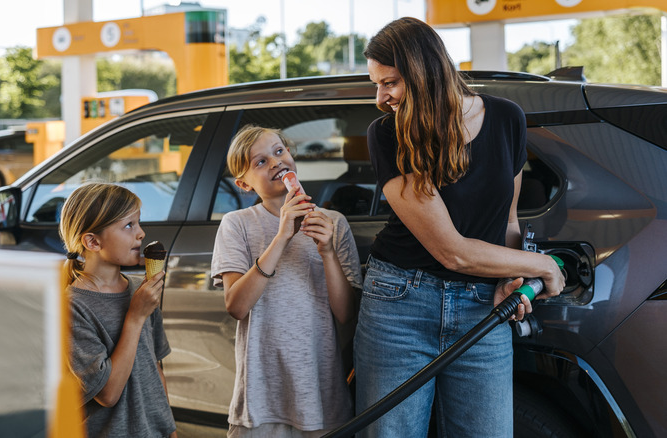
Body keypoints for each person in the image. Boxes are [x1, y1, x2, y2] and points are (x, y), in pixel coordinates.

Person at [354, 17, 566, 438]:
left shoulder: (507, 118)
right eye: (376, 84)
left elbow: (506, 221)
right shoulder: (387, 135)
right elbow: (452, 250)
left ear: (423, 72)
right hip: (400, 306)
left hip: (481, 307)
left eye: (390, 83)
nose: (380, 98)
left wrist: (512, 276)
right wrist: (543, 265)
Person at [211, 125, 362, 437]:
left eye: (279, 151)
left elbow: (347, 314)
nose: (276, 162)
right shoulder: (236, 225)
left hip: (323, 397)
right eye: (260, 162)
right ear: (244, 184)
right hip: (261, 402)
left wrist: (328, 251)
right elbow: (236, 306)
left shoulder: (333, 222)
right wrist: (282, 236)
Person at [59, 182, 177, 438]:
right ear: (92, 241)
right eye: (128, 225)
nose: (141, 233)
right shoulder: (73, 306)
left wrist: (169, 428)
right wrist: (135, 317)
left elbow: (156, 367)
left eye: (139, 223)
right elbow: (107, 394)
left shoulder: (140, 289)